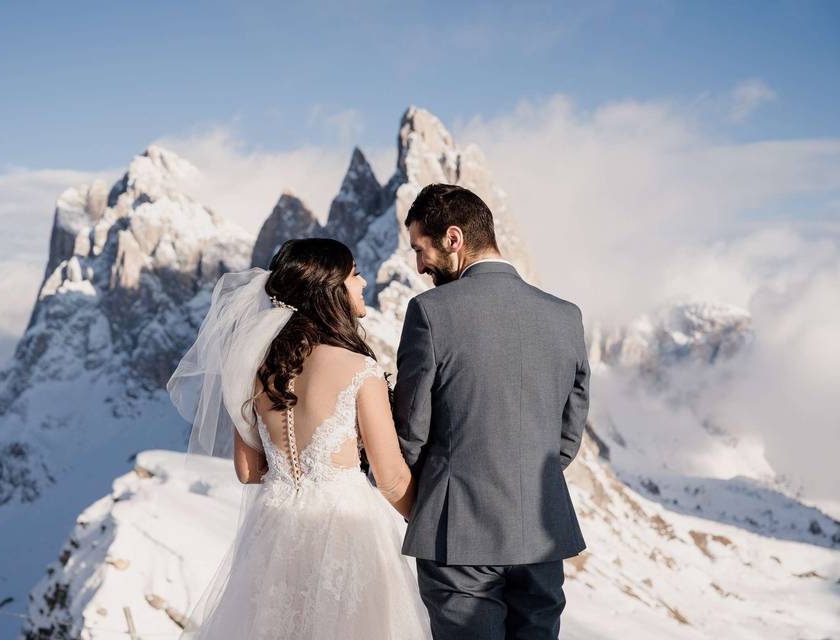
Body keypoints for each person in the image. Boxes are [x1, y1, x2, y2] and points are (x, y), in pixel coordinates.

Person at [166, 238, 432, 640]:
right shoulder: (359, 368)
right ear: (331, 289)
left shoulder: (256, 370)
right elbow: (391, 476)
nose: (362, 284)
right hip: (346, 530)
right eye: (355, 275)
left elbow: (247, 471)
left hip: (274, 530)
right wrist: (428, 524)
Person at [394, 183, 591, 640]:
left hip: (458, 535)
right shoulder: (566, 316)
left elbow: (411, 434)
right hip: (542, 535)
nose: (419, 265)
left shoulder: (429, 312)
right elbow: (567, 439)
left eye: (420, 249)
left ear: (454, 238)